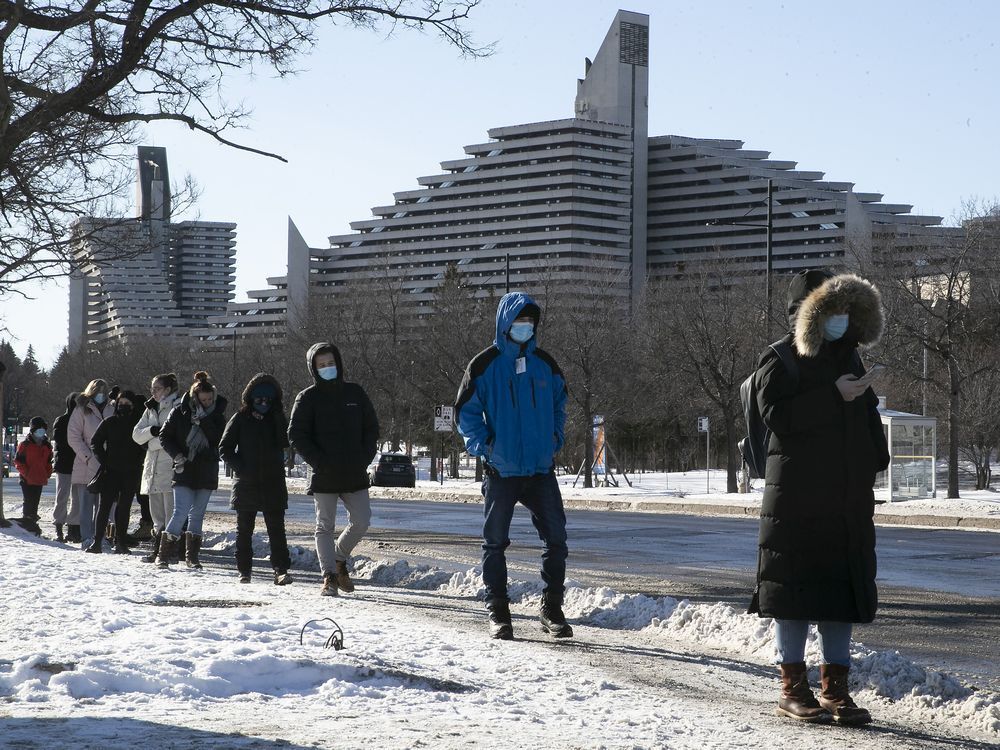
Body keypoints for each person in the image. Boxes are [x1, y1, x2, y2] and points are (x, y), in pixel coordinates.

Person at [748, 270, 889, 726]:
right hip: (795, 503)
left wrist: (875, 456)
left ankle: (835, 690)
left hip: (844, 501)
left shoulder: (849, 360)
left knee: (839, 592)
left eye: (848, 312)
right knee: (793, 593)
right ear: (809, 314)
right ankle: (792, 688)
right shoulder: (779, 360)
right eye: (833, 312)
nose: (841, 321)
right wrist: (833, 395)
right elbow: (778, 417)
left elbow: (865, 421)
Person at [455, 291, 570, 640]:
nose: (525, 326)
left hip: (539, 470)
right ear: (505, 323)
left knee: (557, 539)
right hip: (501, 471)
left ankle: (551, 608)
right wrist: (486, 447)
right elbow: (465, 413)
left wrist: (554, 440)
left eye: (530, 321)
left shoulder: (545, 365)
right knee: (495, 542)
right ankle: (498, 611)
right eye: (519, 320)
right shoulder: (484, 364)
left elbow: (561, 404)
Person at [288, 342, 378, 597]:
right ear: (313, 369)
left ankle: (338, 559)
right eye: (321, 365)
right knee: (324, 526)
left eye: (331, 363)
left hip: (354, 471)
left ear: (338, 363)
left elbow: (371, 428)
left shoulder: (355, 393)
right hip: (324, 473)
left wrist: (364, 457)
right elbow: (296, 434)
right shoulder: (307, 398)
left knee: (362, 521)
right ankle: (328, 575)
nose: (328, 368)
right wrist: (318, 461)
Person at [219, 373, 293, 585]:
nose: (263, 404)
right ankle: (244, 571)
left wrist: (278, 417)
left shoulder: (278, 417)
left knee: (277, 531)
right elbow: (224, 448)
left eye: (268, 400)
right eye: (259, 399)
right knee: (244, 531)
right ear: (250, 399)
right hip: (246, 483)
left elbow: (285, 442)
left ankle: (281, 570)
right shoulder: (240, 418)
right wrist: (240, 467)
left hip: (273, 482)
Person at [157, 371, 227, 569]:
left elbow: (217, 439)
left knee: (197, 514)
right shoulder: (180, 412)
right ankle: (164, 555)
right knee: (180, 511)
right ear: (195, 397)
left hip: (207, 469)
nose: (207, 403)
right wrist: (177, 455)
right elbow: (165, 436)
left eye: (210, 399)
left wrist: (204, 419)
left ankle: (192, 557)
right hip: (184, 468)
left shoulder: (217, 415)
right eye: (203, 399)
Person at [88, 390, 145, 554]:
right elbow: (95, 442)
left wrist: (138, 460)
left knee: (124, 507)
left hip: (131, 472)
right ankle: (97, 542)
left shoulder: (138, 424)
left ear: (133, 405)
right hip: (110, 470)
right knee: (104, 507)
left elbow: (144, 445)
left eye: (127, 404)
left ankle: (121, 542)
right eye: (120, 404)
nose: (123, 407)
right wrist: (104, 460)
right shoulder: (109, 422)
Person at [133, 373, 182, 563]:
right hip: (151, 466)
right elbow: (136, 435)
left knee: (171, 511)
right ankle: (157, 548)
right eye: (152, 389)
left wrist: (151, 442)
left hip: (169, 466)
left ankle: (170, 551)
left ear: (168, 390)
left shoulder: (177, 407)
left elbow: (174, 438)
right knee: (156, 514)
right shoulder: (150, 409)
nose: (153, 392)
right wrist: (152, 432)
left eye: (157, 388)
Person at [67, 379, 111, 550]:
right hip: (86, 464)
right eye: (97, 391)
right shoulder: (80, 410)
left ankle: (101, 536)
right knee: (86, 504)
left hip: (106, 464)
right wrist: (88, 456)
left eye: (103, 391)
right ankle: (86, 537)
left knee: (104, 505)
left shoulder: (111, 408)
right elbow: (74, 437)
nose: (101, 395)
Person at [14, 417, 53, 534]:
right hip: (26, 479)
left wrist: (47, 473)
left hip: (39, 479)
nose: (41, 432)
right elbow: (18, 462)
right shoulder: (24, 445)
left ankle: (32, 523)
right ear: (32, 430)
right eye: (38, 429)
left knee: (35, 502)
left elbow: (48, 462)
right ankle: (27, 523)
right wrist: (27, 474)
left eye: (43, 429)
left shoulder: (47, 446)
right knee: (28, 501)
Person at [51, 393, 79, 542]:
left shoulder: (82, 420)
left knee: (77, 498)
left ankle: (73, 528)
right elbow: (60, 442)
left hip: (79, 464)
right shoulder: (61, 420)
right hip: (64, 464)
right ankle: (58, 526)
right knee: (62, 497)